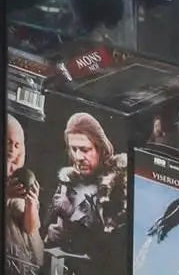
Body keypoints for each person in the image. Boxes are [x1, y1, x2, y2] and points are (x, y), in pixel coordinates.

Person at [46, 111, 127, 268]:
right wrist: (51, 233)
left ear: (101, 148)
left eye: (85, 149)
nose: (78, 157)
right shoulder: (67, 184)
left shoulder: (119, 184)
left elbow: (114, 246)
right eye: (73, 149)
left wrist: (72, 216)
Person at [0, 114, 44, 274]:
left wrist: (31, 204)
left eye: (17, 145)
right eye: (8, 142)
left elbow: (30, 229)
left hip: (24, 252)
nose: (12, 149)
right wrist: (5, 196)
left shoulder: (20, 174)